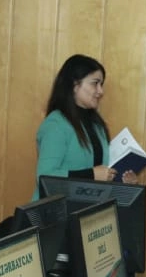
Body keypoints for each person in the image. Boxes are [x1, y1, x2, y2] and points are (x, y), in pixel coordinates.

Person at [35, 54, 139, 193]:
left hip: (88, 204)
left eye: (101, 84)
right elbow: (44, 177)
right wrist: (91, 175)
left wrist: (123, 181)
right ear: (74, 85)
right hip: (57, 205)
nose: (100, 91)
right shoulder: (56, 124)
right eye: (95, 83)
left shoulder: (97, 125)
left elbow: (100, 173)